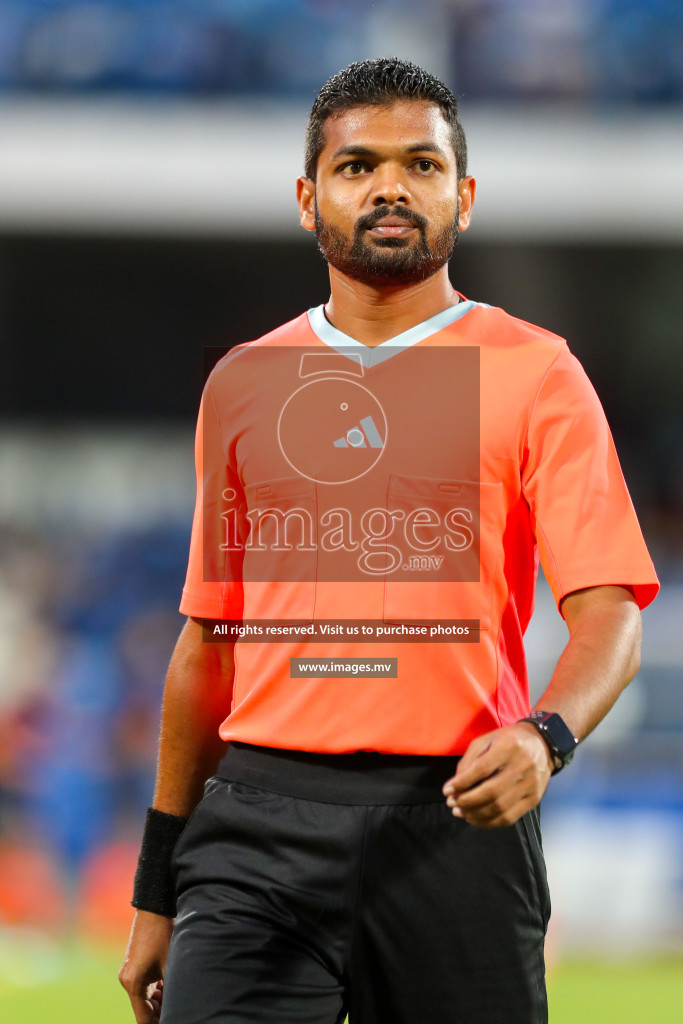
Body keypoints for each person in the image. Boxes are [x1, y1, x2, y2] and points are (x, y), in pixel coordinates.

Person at [119, 58, 659, 1024]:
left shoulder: (536, 373)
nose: (388, 187)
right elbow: (208, 644)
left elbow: (609, 611)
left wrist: (546, 738)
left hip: (454, 818)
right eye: (356, 165)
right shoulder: (244, 383)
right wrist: (157, 887)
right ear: (306, 197)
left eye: (419, 163)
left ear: (464, 195)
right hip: (256, 826)